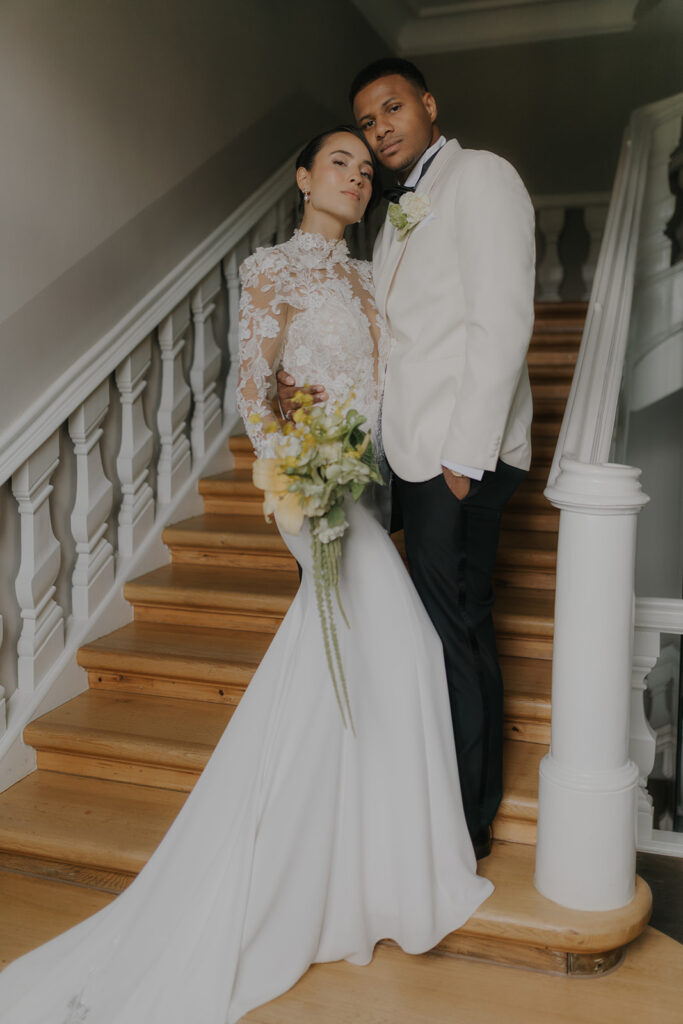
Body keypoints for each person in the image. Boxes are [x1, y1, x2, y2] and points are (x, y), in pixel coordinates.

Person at [0, 125, 492, 1024]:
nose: (354, 176)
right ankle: (344, 872)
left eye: (364, 167)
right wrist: (293, 485)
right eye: (336, 162)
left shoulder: (366, 272)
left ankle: (357, 867)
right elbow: (255, 394)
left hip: (368, 489)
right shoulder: (272, 269)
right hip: (314, 496)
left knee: (371, 668)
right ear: (304, 177)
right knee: (409, 653)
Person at [278, 60, 536, 859]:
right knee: (435, 635)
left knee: (455, 633)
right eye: (366, 120)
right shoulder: (391, 219)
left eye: (392, 108)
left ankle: (465, 826)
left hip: (459, 455)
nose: (380, 127)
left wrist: (465, 456)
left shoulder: (481, 176)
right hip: (411, 460)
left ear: (427, 105)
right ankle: (439, 805)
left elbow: (499, 321)